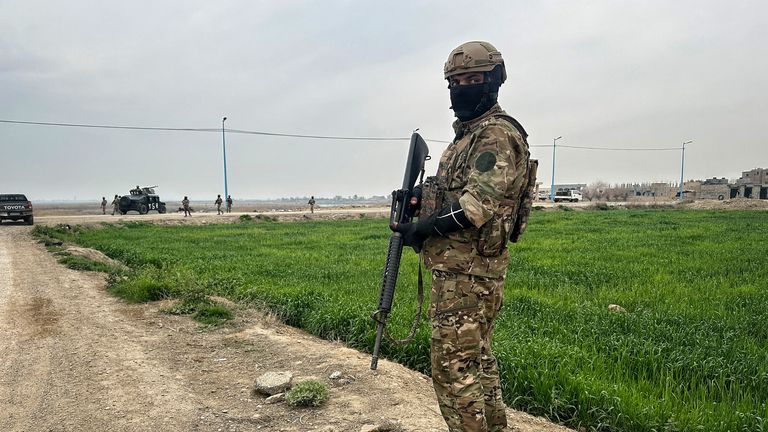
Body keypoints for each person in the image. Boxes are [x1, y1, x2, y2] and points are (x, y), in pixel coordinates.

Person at [391, 41, 531, 432]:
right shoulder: (466, 137)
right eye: (455, 81)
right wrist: (423, 200)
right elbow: (455, 195)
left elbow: (475, 207)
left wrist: (424, 227)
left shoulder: (495, 136)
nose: (462, 87)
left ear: (493, 81)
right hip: (462, 272)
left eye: (472, 79)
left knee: (454, 374)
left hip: (469, 276)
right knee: (478, 364)